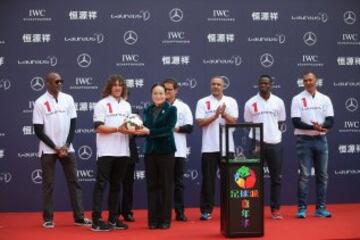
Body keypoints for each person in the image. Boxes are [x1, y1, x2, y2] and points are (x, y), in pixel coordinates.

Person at [32, 72, 91, 228]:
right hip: (48, 150)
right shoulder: (40, 102)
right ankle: (48, 218)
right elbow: (38, 130)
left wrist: (66, 145)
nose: (59, 84)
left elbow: (73, 124)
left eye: (60, 81)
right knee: (48, 184)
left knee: (74, 182)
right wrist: (55, 147)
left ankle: (79, 217)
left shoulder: (68, 99)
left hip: (67, 148)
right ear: (48, 83)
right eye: (56, 82)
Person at [91, 75, 144, 231]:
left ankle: (113, 218)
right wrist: (117, 129)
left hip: (123, 151)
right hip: (106, 151)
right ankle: (96, 220)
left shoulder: (127, 106)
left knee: (116, 186)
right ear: (109, 87)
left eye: (120, 85)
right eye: (114, 85)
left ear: (123, 88)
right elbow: (98, 127)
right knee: (101, 185)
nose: (117, 87)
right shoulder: (102, 104)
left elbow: (128, 127)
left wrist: (136, 129)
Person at [291, 71, 334, 218]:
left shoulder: (325, 99)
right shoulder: (297, 99)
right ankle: (302, 208)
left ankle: (320, 208)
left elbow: (330, 120)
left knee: (322, 175)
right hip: (304, 141)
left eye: (310, 80)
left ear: (316, 81)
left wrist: (321, 126)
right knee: (304, 175)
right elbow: (295, 121)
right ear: (303, 82)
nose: (308, 82)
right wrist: (312, 128)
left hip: (321, 140)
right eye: (305, 81)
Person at [195, 76, 238, 220]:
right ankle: (206, 211)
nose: (216, 86)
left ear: (223, 86)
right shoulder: (202, 102)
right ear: (210, 85)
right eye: (213, 84)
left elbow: (234, 122)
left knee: (229, 180)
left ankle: (230, 209)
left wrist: (224, 114)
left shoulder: (231, 101)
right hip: (209, 147)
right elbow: (200, 122)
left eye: (218, 84)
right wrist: (215, 116)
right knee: (208, 180)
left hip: (228, 147)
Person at [244, 74, 286, 220]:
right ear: (258, 84)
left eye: (266, 83)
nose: (263, 85)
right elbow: (248, 123)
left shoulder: (279, 102)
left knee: (276, 178)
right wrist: (258, 140)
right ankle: (254, 208)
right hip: (256, 144)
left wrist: (271, 134)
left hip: (275, 143)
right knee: (252, 178)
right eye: (261, 83)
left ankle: (275, 209)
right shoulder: (250, 102)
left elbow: (280, 122)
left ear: (271, 85)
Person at [143, 83, 177, 229]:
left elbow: (168, 130)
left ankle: (165, 220)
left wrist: (149, 132)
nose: (158, 96)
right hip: (150, 152)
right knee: (152, 186)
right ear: (152, 95)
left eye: (161, 93)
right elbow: (143, 127)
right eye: (155, 93)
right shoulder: (147, 110)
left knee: (166, 186)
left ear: (166, 95)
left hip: (166, 152)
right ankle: (153, 220)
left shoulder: (171, 109)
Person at [163, 78, 193, 222]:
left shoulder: (183, 107)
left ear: (176, 90)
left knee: (178, 183)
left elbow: (189, 127)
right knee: (164, 183)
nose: (167, 92)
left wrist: (176, 128)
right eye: (165, 89)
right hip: (162, 151)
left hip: (179, 151)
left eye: (170, 89)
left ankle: (179, 211)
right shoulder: (158, 106)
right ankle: (164, 212)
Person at [118, 91, 139, 222]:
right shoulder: (109, 110)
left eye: (124, 96)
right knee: (115, 184)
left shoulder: (133, 112)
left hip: (129, 152)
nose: (122, 98)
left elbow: (135, 133)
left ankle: (127, 211)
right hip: (113, 152)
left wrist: (130, 131)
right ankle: (114, 212)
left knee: (128, 185)